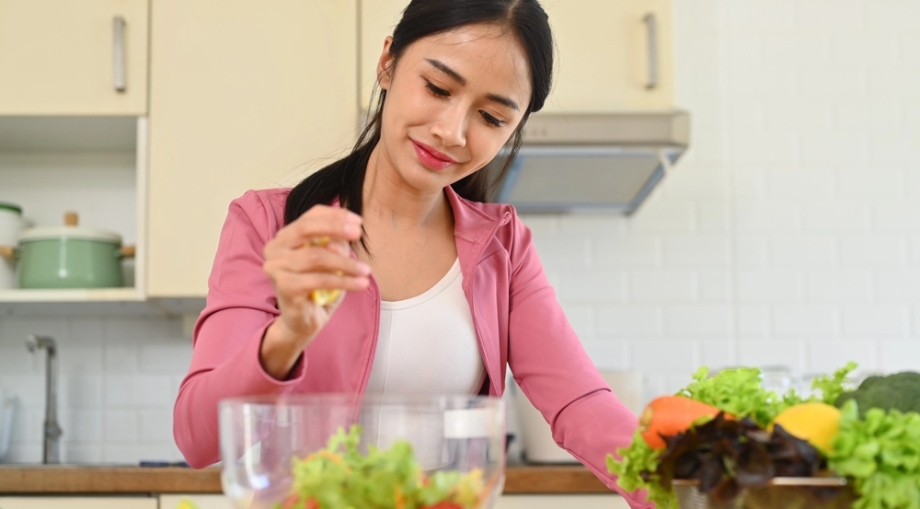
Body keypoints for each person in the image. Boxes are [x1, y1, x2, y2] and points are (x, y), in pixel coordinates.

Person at [174, 1, 650, 506]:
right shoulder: (269, 225)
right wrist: (287, 335)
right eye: (438, 88)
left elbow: (580, 404)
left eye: (490, 116)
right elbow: (197, 438)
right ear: (388, 63)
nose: (452, 130)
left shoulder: (502, 249)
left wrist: (687, 485)